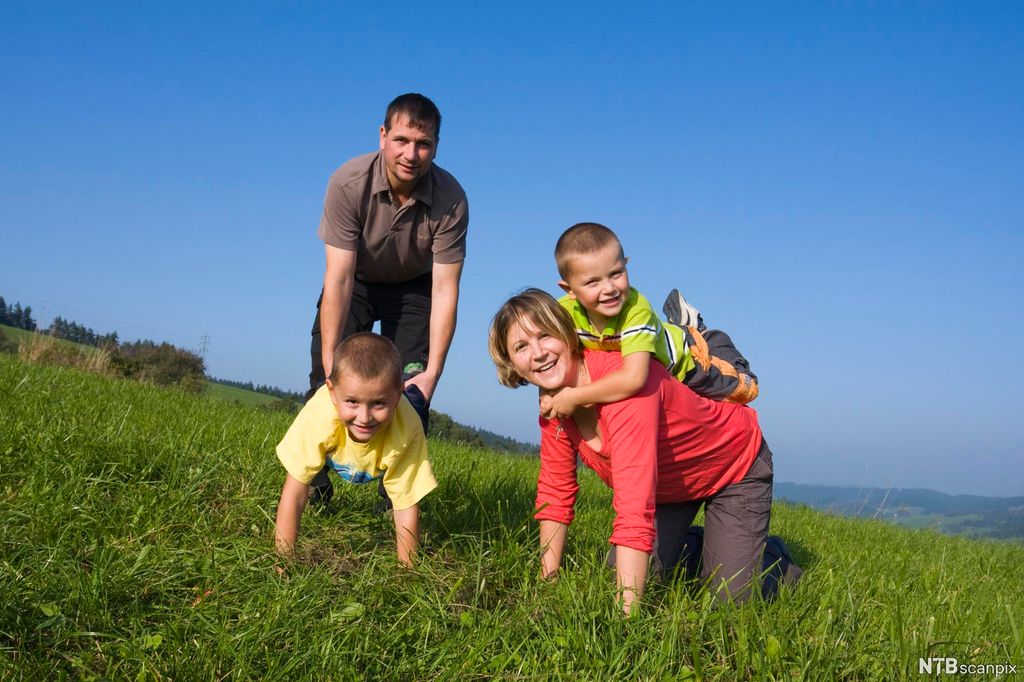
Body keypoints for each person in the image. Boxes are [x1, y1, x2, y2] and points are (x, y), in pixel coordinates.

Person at [488, 289, 801, 614]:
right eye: (521, 347)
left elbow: (633, 508)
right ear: (510, 362)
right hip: (668, 487)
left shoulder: (622, 386)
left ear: (569, 334)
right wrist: (547, 580)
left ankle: (773, 557)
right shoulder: (554, 406)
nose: (538, 353)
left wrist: (624, 624)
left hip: (733, 466)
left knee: (730, 601)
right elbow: (556, 492)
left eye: (544, 336)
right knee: (620, 576)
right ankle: (710, 546)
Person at [306, 93, 468, 506]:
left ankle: (393, 503)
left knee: (412, 392)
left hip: (414, 288)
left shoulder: (451, 199)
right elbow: (338, 277)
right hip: (356, 280)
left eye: (423, 143)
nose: (411, 154)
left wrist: (432, 372)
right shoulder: (347, 182)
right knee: (326, 380)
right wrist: (329, 360)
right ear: (382, 136)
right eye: (401, 140)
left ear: (436, 145)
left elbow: (446, 289)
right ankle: (315, 488)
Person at [541, 222, 757, 421]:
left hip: (687, 360)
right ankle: (682, 323)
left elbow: (634, 378)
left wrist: (574, 397)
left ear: (626, 265)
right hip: (659, 336)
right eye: (592, 282)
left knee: (742, 391)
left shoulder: (635, 309)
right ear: (569, 290)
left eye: (616, 273)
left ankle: (701, 332)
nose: (609, 289)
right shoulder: (564, 312)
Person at [275, 333, 436, 567]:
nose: (364, 417)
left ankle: (411, 390)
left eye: (378, 403)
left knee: (417, 402)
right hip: (334, 435)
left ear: (397, 395)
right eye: (352, 401)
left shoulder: (407, 428)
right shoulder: (318, 415)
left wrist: (408, 575)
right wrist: (283, 563)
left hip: (402, 418)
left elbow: (406, 506)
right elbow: (295, 491)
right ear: (331, 391)